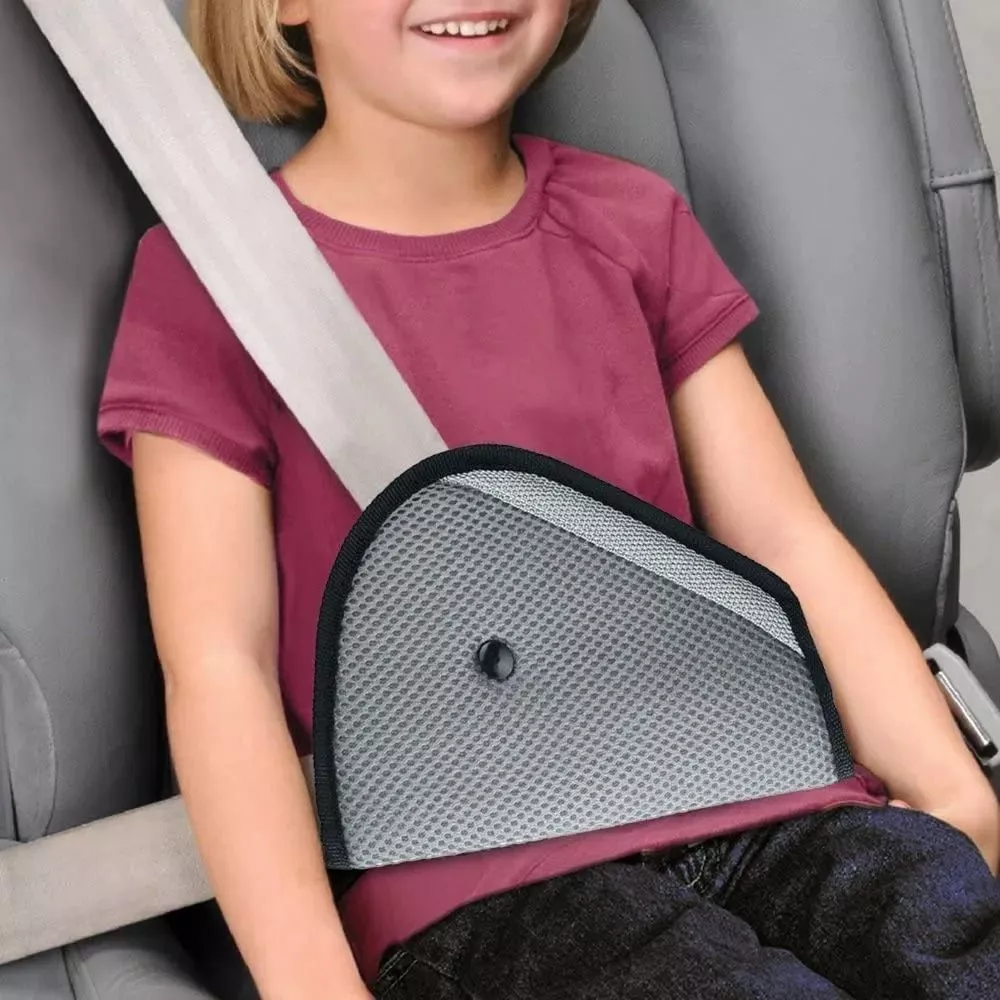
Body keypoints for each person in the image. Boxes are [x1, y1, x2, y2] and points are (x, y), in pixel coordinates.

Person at [97, 1, 1000, 997]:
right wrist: (312, 979)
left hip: (765, 795)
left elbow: (784, 537)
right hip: (485, 881)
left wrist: (952, 790)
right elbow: (218, 666)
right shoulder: (214, 283)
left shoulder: (631, 221)